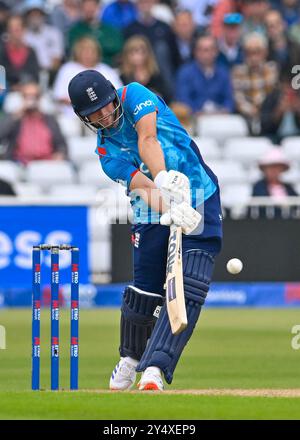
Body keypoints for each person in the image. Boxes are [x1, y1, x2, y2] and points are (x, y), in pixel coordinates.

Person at [68, 69, 222, 390]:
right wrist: (172, 207)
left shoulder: (135, 95)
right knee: (145, 292)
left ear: (114, 95)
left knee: (190, 286)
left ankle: (155, 368)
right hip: (153, 209)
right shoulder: (106, 155)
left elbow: (147, 138)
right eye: (94, 114)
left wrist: (163, 176)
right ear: (83, 119)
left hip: (200, 193)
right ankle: (130, 359)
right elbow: (142, 185)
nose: (104, 116)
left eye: (107, 106)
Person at [0, 82, 68, 164]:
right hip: (20, 164)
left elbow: (61, 144)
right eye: (27, 96)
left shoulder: (50, 119)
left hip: (46, 163)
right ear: (23, 98)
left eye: (34, 96)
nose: (31, 99)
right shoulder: (15, 118)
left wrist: (60, 155)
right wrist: (17, 114)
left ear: (39, 98)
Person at [53, 36, 123, 115]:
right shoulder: (67, 69)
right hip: (71, 115)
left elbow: (118, 92)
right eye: (84, 51)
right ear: (77, 52)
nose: (88, 54)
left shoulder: (106, 69)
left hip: (105, 114)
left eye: (91, 51)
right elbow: (59, 96)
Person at [232, 32, 278, 134]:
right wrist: (251, 110)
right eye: (249, 52)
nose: (253, 57)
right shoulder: (238, 71)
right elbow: (238, 99)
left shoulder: (272, 69)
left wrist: (260, 109)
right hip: (246, 118)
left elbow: (271, 94)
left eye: (257, 52)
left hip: (269, 118)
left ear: (265, 52)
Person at [175, 34, 234, 114]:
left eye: (210, 49)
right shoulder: (185, 72)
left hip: (220, 117)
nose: (206, 54)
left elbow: (229, 99)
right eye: (202, 50)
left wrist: (225, 110)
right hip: (194, 118)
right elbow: (183, 99)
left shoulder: (223, 72)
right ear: (195, 52)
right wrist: (195, 111)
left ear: (216, 52)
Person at [68, 0, 123, 66]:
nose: (89, 9)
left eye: (92, 5)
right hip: (82, 68)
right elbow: (76, 51)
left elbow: (117, 50)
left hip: (108, 68)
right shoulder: (75, 30)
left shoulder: (111, 30)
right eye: (86, 6)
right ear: (81, 8)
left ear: (99, 7)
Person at [120, 35, 172, 103]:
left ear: (147, 54)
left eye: (142, 52)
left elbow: (167, 96)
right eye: (134, 52)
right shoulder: (123, 76)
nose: (138, 56)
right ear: (127, 55)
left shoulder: (155, 74)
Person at [0, 14, 40, 90]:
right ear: (8, 31)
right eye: (12, 29)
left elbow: (35, 75)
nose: (15, 32)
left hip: (27, 92)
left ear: (24, 30)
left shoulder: (31, 51)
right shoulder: (1, 51)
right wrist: (12, 87)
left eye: (18, 28)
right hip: (6, 91)